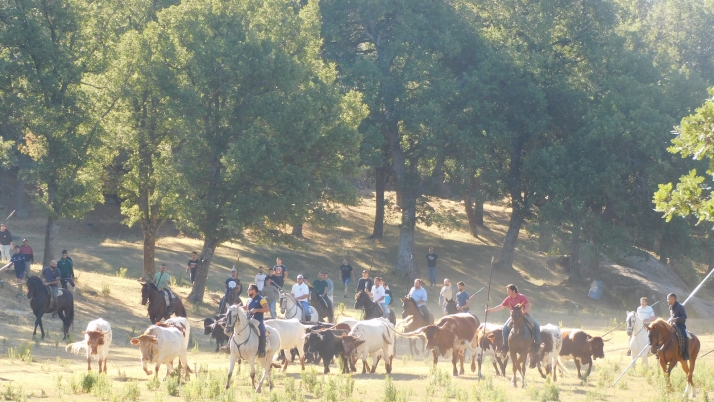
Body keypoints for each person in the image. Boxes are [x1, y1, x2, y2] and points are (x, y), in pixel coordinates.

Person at [485, 284, 541, 354]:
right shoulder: (508, 299)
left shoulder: (521, 297)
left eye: (508, 290)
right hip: (513, 318)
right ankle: (505, 345)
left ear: (513, 291)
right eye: (507, 290)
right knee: (505, 328)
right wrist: (490, 310)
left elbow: (528, 306)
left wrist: (522, 312)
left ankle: (537, 344)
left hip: (524, 315)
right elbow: (500, 307)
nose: (507, 292)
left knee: (536, 325)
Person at [245, 284, 270, 357]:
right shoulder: (249, 299)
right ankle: (229, 345)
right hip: (248, 319)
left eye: (249, 289)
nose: (248, 291)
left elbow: (266, 309)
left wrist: (256, 310)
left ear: (254, 290)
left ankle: (262, 350)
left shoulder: (261, 299)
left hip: (258, 320)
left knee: (262, 331)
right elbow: (246, 308)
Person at [668, 293, 689, 360]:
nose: (667, 300)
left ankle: (685, 353)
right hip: (671, 324)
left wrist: (676, 319)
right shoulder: (670, 306)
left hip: (680, 324)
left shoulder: (680, 306)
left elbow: (684, 316)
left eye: (668, 299)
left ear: (672, 299)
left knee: (686, 336)